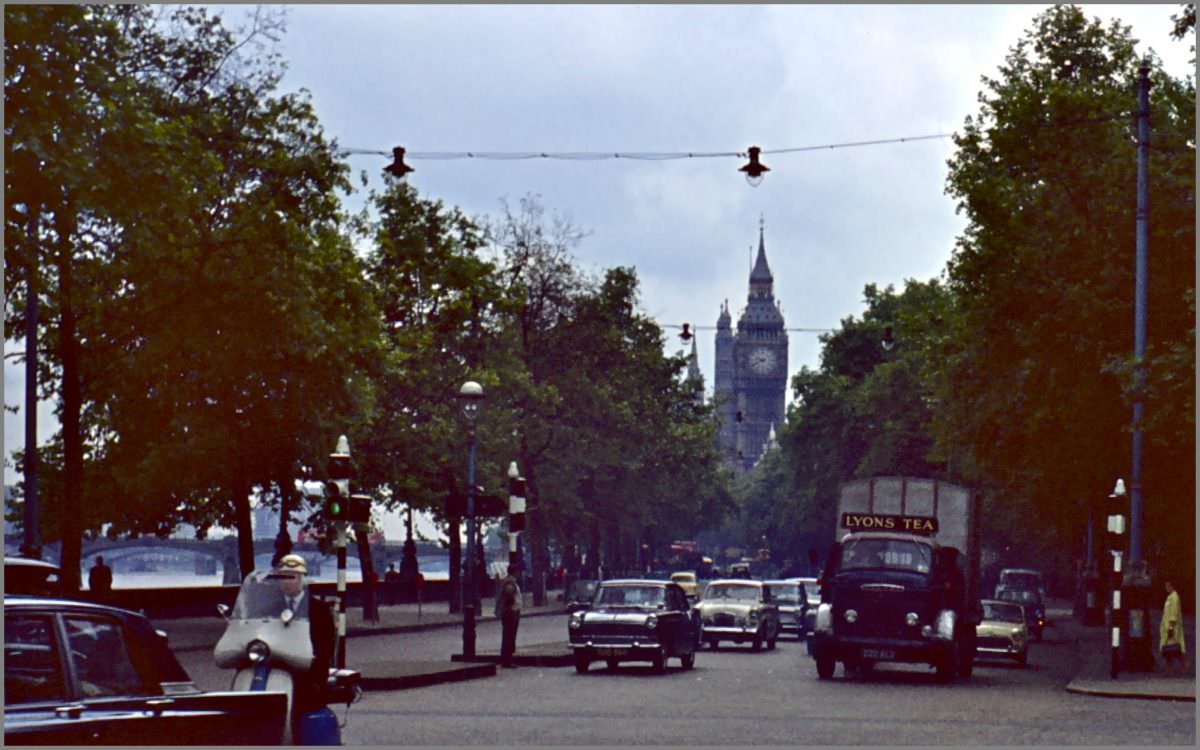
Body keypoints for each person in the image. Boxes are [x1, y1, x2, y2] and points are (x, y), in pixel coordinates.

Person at [273, 554, 336, 737]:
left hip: (307, 675)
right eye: (283, 577)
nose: (286, 582)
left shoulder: (318, 610)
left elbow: (325, 647)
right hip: (277, 670)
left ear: (302, 580)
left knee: (303, 706)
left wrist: (312, 661)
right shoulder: (271, 608)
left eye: (291, 577)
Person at [495, 563, 522, 668]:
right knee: (509, 636)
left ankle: (507, 659)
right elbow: (509, 597)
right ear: (514, 572)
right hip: (511, 612)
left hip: (511, 612)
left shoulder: (509, 581)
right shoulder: (510, 583)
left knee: (509, 636)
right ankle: (507, 660)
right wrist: (512, 610)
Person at [1159, 578, 1187, 675]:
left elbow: (1174, 613)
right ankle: (1169, 669)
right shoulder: (1170, 597)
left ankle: (1179, 665)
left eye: (1168, 586)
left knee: (1171, 649)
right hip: (1167, 627)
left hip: (1171, 627)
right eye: (1166, 586)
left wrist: (1171, 626)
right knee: (1170, 650)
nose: (1166, 587)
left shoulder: (1174, 597)